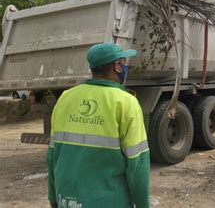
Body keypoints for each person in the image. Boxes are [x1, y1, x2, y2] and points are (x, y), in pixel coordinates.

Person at [47, 43, 150, 208]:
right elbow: (138, 164)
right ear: (117, 66)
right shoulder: (125, 102)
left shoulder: (65, 98)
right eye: (123, 62)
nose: (125, 66)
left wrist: (53, 197)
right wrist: (143, 205)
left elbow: (52, 155)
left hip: (67, 199)